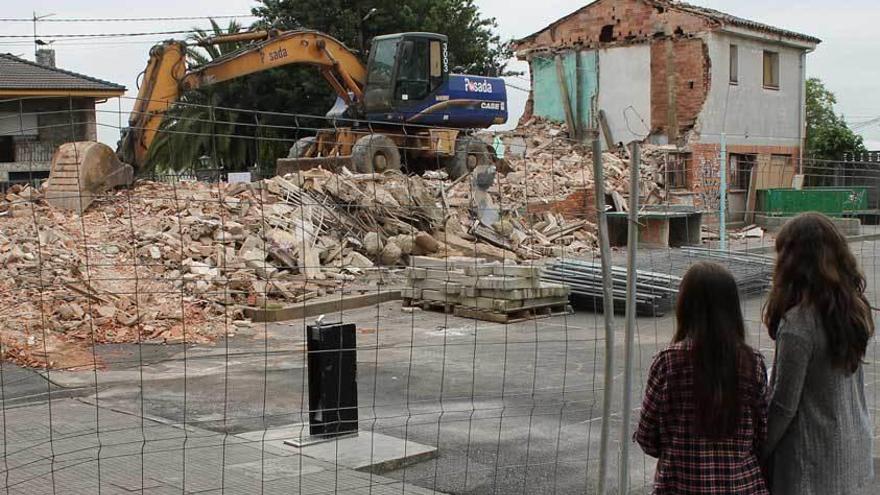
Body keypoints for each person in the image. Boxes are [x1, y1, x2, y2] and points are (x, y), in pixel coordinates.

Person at [761, 212, 875, 494]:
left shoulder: (798, 325)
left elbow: (784, 406)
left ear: (792, 262)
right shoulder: (852, 310)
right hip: (851, 453)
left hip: (810, 465)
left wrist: (757, 451)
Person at [636, 261, 769, 494]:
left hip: (680, 485)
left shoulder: (667, 363)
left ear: (685, 307)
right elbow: (762, 434)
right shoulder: (752, 362)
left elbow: (647, 437)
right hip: (743, 486)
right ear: (732, 308)